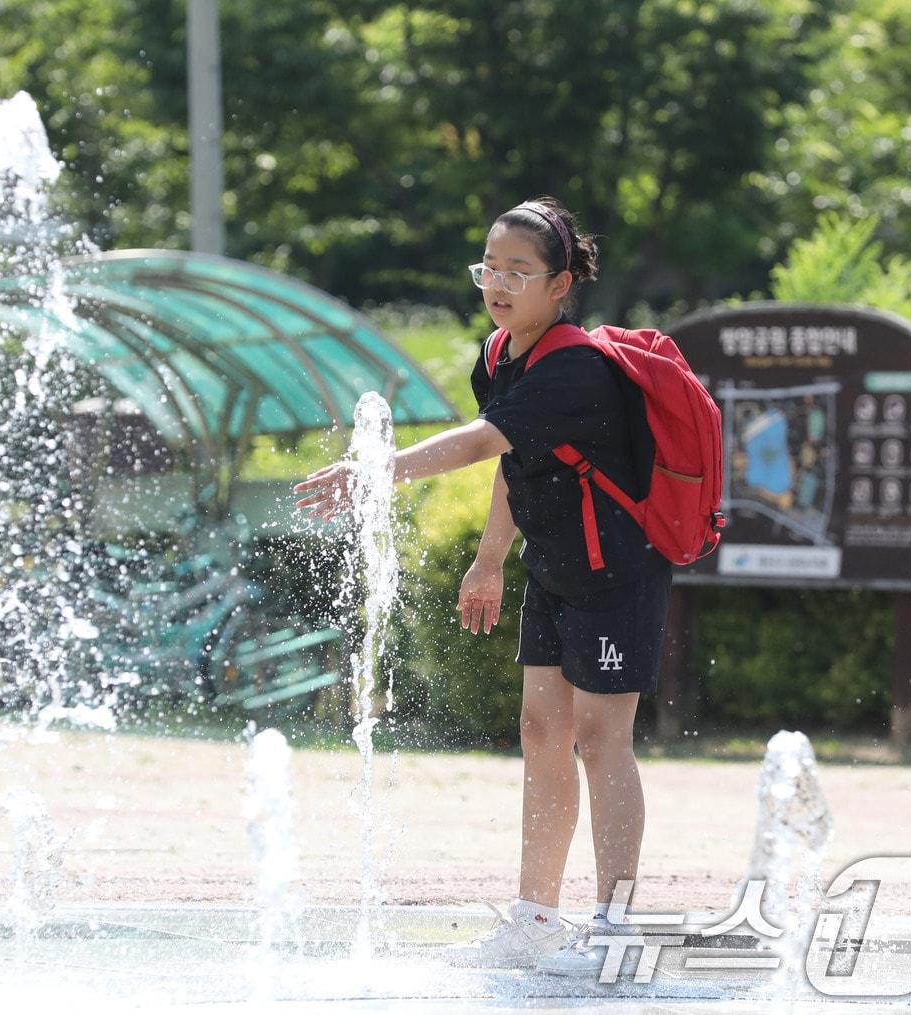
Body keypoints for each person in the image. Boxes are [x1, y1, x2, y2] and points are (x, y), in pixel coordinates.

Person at [293, 196, 671, 978]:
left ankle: (617, 924)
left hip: (617, 572)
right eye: (489, 267)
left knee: (603, 739)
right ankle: (535, 917)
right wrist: (490, 557)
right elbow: (518, 460)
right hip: (556, 569)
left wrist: (373, 471)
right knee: (541, 733)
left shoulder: (574, 365)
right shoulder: (500, 353)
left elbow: (481, 441)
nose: (497, 284)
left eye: (517, 271)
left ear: (559, 283)